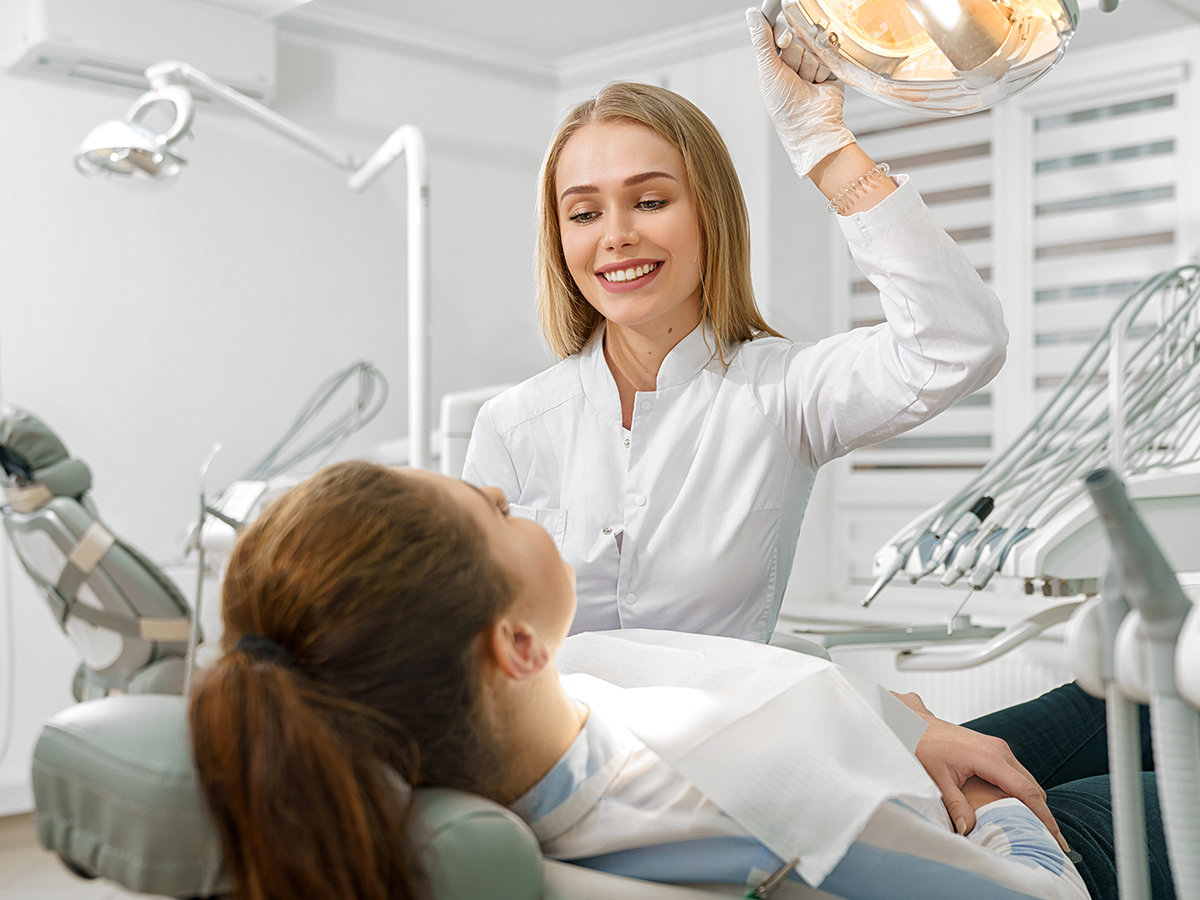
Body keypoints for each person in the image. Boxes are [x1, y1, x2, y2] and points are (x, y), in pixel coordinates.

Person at [190, 462, 1173, 900]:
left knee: (1114, 692)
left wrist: (902, 724)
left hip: (893, 771)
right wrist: (1008, 822)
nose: (516, 501)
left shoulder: (501, 718)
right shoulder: (737, 785)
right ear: (516, 646)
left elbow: (697, 673)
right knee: (1164, 726)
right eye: (496, 512)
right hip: (1007, 844)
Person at [462, 9, 1009, 642]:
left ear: (709, 214)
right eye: (583, 213)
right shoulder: (510, 427)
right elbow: (473, 641)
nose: (616, 236)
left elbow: (960, 342)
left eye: (650, 201)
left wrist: (822, 145)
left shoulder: (782, 392)